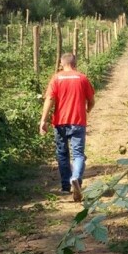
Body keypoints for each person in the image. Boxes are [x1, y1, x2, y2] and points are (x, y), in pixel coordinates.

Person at [39, 53, 95, 201]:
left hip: (60, 122)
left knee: (62, 154)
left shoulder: (56, 78)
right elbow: (91, 100)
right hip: (78, 121)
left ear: (61, 64)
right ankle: (75, 177)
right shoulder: (82, 78)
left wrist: (43, 120)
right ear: (75, 63)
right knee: (78, 154)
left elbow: (50, 99)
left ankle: (65, 187)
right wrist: (87, 110)